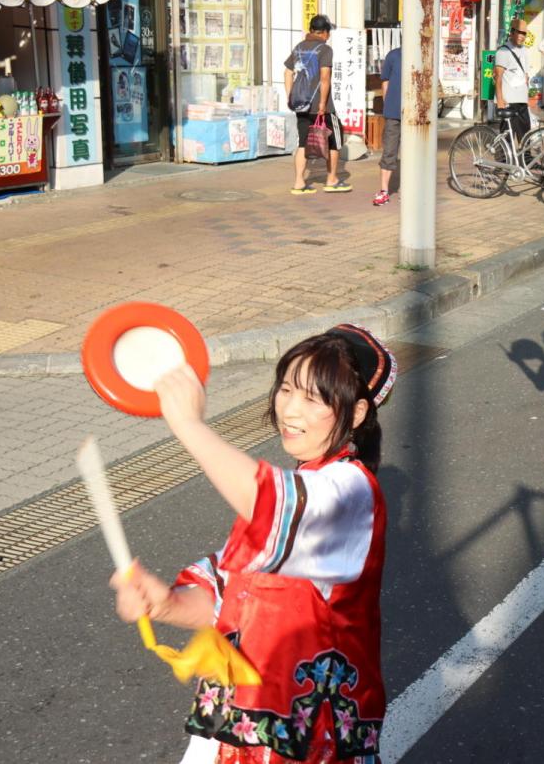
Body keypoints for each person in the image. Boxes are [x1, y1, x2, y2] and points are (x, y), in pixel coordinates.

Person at [110, 324, 397, 761]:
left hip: (306, 744)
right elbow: (228, 599)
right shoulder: (304, 484)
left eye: (313, 398)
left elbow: (267, 502)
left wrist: (188, 424)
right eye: (286, 389)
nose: (290, 410)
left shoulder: (351, 491)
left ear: (356, 414)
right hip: (237, 730)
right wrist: (165, 602)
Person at [284, 14, 351, 194]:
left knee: (303, 142)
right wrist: (322, 104)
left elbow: (287, 73)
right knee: (334, 141)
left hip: (301, 105)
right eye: (329, 32)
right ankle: (332, 179)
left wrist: (291, 96)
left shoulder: (299, 47)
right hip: (322, 107)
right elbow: (324, 77)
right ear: (325, 32)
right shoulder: (325, 50)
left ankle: (299, 183)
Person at [494, 18, 532, 142]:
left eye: (524, 33)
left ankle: (525, 159)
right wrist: (500, 99)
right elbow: (498, 76)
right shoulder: (503, 51)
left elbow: (525, 74)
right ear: (512, 32)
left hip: (522, 100)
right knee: (507, 137)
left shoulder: (525, 51)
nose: (522, 36)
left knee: (526, 136)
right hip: (508, 101)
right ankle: (503, 160)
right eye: (519, 32)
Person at [374, 45, 401, 207]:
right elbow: (385, 82)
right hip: (393, 113)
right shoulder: (393, 55)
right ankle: (384, 191)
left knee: (413, 155)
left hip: (415, 114)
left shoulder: (422, 54)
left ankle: (409, 191)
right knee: (389, 151)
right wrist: (388, 105)